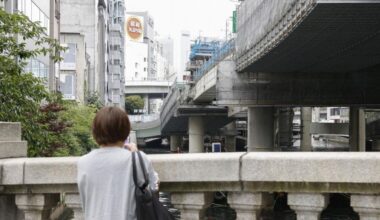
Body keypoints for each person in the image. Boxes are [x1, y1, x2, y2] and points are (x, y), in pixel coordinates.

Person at [77, 106, 159, 220]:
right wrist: (136, 155)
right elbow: (154, 186)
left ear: (95, 132)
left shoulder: (83, 162)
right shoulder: (137, 159)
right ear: (126, 131)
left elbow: (85, 199)